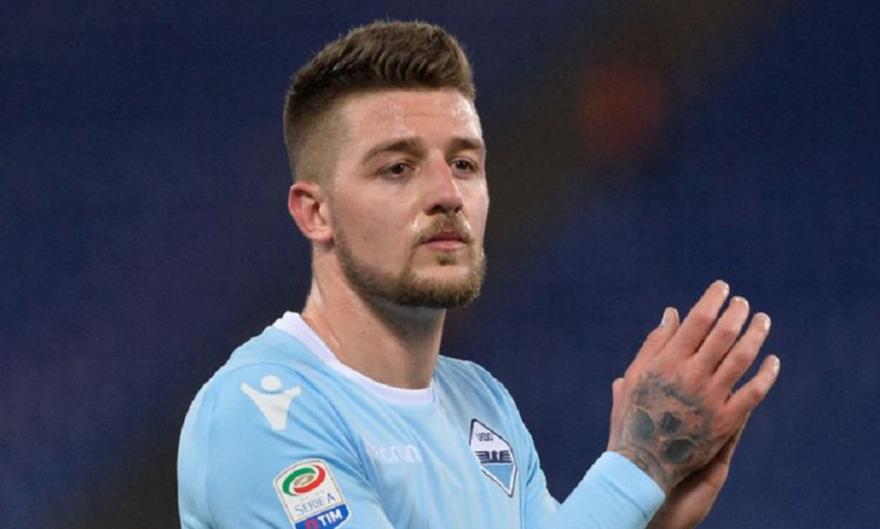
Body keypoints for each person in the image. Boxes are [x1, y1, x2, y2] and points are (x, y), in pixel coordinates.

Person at [177, 20, 780, 529]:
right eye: (397, 168)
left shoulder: (483, 403)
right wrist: (636, 469)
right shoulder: (259, 412)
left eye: (464, 163)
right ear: (316, 213)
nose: (448, 193)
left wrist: (649, 516)